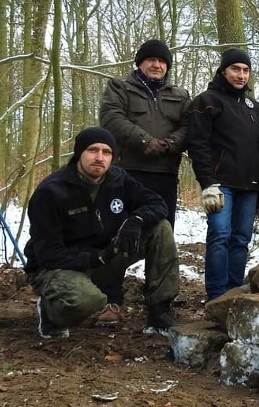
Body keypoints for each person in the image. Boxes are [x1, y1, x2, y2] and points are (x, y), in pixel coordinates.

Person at [23, 127, 181, 338]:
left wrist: (135, 220)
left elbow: (156, 203)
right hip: (57, 267)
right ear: (79, 153)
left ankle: (160, 311)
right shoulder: (51, 192)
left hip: (105, 255)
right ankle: (52, 314)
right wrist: (95, 257)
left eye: (107, 152)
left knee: (160, 228)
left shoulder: (118, 179)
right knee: (88, 301)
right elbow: (47, 254)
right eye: (93, 150)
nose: (99, 158)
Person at [185, 48, 259, 300]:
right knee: (220, 235)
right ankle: (217, 295)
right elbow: (198, 144)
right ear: (223, 71)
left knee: (241, 239)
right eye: (235, 69)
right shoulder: (207, 101)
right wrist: (207, 183)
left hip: (250, 185)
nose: (241, 75)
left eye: (245, 70)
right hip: (221, 185)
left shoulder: (254, 107)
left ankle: (234, 291)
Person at [100, 39, 191, 229]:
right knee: (122, 231)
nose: (156, 65)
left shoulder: (181, 95)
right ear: (140, 63)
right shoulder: (120, 87)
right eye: (151, 59)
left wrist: (170, 144)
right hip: (127, 172)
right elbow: (112, 119)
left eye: (162, 61)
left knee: (163, 231)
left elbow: (189, 126)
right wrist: (145, 141)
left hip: (165, 175)